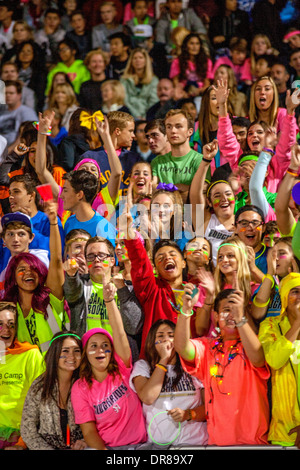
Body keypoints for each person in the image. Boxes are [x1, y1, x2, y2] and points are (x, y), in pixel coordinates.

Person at [174, 285, 270, 446]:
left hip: (254, 443)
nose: (232, 315)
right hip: (218, 444)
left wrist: (242, 319)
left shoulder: (254, 343)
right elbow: (182, 347)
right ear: (216, 316)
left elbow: (258, 359)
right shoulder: (207, 347)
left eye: (236, 310)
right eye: (227, 310)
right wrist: (185, 311)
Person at [71, 281, 147, 449]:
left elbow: (119, 332)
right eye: (94, 346)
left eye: (106, 345)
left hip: (141, 445)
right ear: (85, 354)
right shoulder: (80, 387)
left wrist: (109, 301)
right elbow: (89, 432)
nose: (100, 350)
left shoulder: (122, 368)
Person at [1, 201, 69, 355]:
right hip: (26, 374)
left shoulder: (50, 298)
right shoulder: (10, 307)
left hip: (56, 370)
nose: (28, 273)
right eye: (22, 270)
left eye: (33, 269)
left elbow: (57, 260)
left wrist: (53, 223)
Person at [130, 319, 208, 448]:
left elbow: (209, 408)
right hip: (159, 446)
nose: (166, 340)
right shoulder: (142, 366)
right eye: (160, 336)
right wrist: (163, 359)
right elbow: (148, 397)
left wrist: (188, 414)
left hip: (195, 443)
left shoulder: (192, 366)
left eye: (171, 336)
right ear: (151, 341)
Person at [20, 331, 87, 450]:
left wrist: (84, 441)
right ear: (55, 354)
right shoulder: (39, 387)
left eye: (76, 351)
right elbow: (27, 429)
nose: (71, 356)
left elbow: (99, 423)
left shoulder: (85, 384)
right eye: (65, 351)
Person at [258, 273, 300, 448]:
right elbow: (274, 359)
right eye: (295, 291)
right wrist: (298, 322)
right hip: (284, 431)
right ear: (284, 296)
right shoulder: (270, 325)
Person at [0, 301, 44, 449]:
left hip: (20, 438)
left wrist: (22, 443)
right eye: (0, 324)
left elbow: (41, 402)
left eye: (11, 324)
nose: (6, 330)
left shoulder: (30, 355)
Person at [189, 141, 236, 265]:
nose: (224, 199)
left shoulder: (243, 222)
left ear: (234, 198)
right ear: (209, 202)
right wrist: (205, 161)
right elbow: (194, 195)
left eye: (228, 194)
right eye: (217, 196)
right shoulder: (205, 222)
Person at [80, 110, 139, 197]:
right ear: (117, 131)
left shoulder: (134, 158)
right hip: (99, 208)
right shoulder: (89, 157)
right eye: (130, 131)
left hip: (126, 209)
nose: (133, 135)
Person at [151, 109, 203, 204]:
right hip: (164, 214)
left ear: (190, 131)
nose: (173, 131)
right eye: (169, 127)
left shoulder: (200, 160)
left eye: (178, 126)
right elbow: (152, 189)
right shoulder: (157, 162)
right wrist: (182, 188)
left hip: (192, 213)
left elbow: (204, 189)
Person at [169, 33, 213, 98]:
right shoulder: (177, 61)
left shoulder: (206, 61)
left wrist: (198, 91)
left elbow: (207, 84)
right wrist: (183, 93)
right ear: (186, 46)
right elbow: (175, 82)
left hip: (200, 93)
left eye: (197, 44)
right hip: (182, 93)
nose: (195, 47)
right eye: (192, 43)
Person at [120, 47, 159, 119]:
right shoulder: (124, 79)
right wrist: (136, 116)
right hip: (129, 115)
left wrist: (145, 116)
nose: (137, 60)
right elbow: (124, 100)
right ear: (131, 61)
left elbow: (154, 101)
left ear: (145, 60)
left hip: (149, 117)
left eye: (140, 57)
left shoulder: (154, 80)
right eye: (135, 58)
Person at [0, 80, 37, 149]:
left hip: (15, 153)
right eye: (5, 93)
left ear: (19, 95)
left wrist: (7, 153)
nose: (8, 95)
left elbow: (27, 137)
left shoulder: (27, 112)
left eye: (11, 93)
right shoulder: (2, 111)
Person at [15, 39, 47, 113]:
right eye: (22, 51)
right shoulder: (12, 70)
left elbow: (40, 95)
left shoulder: (40, 72)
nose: (25, 54)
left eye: (28, 51)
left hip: (33, 106)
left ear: (34, 54)